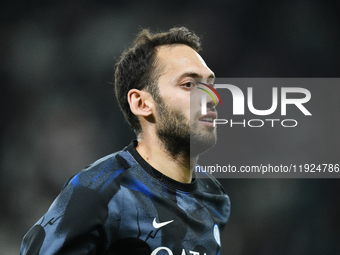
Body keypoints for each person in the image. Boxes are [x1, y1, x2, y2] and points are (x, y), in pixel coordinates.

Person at [20, 27, 230, 255]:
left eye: (210, 84)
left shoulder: (214, 196)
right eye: (188, 84)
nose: (211, 98)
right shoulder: (99, 191)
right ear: (141, 103)